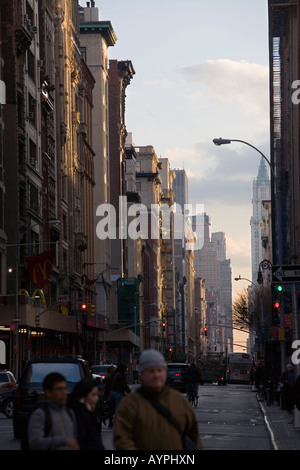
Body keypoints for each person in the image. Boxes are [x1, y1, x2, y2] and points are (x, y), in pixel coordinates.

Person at [113, 349, 202, 450]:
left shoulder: (181, 402)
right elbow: (122, 439)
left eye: (160, 370)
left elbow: (194, 438)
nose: (156, 375)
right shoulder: (129, 404)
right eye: (151, 371)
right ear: (142, 374)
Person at [27, 372, 79, 450]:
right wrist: (64, 441)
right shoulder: (40, 414)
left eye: (65, 388)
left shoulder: (69, 412)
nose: (64, 392)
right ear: (48, 392)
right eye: (59, 389)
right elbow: (35, 442)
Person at [68, 378, 105, 450]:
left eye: (97, 395)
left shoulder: (85, 413)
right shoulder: (81, 416)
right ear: (83, 397)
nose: (96, 398)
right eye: (93, 395)